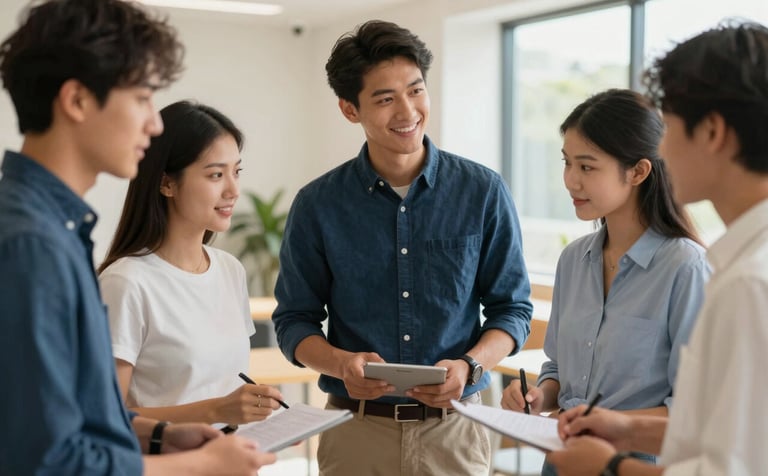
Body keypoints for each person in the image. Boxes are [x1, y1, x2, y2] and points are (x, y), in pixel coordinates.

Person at [0, 1, 274, 474]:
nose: (154, 123)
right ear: (77, 100)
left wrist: (162, 433)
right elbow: (48, 459)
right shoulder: (33, 245)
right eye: (143, 97)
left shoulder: (56, 231)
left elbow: (82, 416)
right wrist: (199, 464)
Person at [272, 19, 533, 475]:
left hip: (455, 430)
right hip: (354, 432)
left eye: (415, 91)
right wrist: (340, 362)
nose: (407, 110)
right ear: (350, 110)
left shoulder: (482, 191)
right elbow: (294, 320)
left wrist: (470, 366)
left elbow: (513, 310)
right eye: (385, 98)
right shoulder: (318, 204)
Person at [547, 21, 768, 476]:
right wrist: (623, 430)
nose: (661, 146)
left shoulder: (745, 280)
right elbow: (716, 430)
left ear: (712, 132)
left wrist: (612, 466)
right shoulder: (741, 265)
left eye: (669, 127)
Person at [500, 89, 710, 474]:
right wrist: (537, 396)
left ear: (638, 171)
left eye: (587, 167)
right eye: (566, 163)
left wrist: (610, 426)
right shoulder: (573, 261)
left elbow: (695, 410)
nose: (570, 181)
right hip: (563, 461)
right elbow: (559, 370)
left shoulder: (686, 268)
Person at [98, 100, 285, 426]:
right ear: (166, 183)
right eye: (216, 175)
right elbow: (107, 418)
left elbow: (227, 383)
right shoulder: (126, 282)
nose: (233, 190)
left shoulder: (230, 270)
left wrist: (268, 418)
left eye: (236, 172)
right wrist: (214, 411)